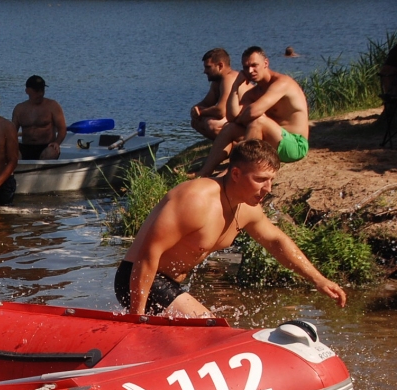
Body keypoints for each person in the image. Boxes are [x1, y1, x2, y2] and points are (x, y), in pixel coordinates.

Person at [116, 140, 346, 317]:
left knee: (207, 328)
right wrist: (138, 318)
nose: (268, 188)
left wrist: (319, 280)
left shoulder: (247, 207)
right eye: (260, 179)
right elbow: (149, 254)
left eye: (271, 180)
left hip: (169, 283)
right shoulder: (195, 200)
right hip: (138, 278)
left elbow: (276, 241)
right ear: (235, 173)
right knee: (207, 326)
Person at [197, 46, 310, 177]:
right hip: (272, 143)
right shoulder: (254, 92)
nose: (250, 71)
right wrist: (235, 86)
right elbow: (231, 116)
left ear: (266, 63)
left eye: (254, 65)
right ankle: (204, 172)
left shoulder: (282, 83)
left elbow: (253, 112)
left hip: (294, 146)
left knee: (258, 120)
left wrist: (241, 118)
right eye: (245, 67)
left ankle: (234, 170)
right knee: (230, 127)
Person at [11, 75, 67, 160]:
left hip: (46, 146)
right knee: (10, 152)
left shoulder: (53, 106)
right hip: (25, 146)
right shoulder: (19, 109)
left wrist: (56, 143)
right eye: (36, 91)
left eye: (42, 90)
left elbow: (62, 129)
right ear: (27, 91)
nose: (40, 94)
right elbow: (12, 132)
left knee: (51, 152)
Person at [189, 48, 240, 140]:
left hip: (247, 123)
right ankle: (227, 149)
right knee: (195, 122)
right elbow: (207, 102)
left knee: (212, 124)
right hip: (235, 121)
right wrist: (195, 109)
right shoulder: (217, 82)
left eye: (208, 67)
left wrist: (201, 112)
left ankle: (235, 149)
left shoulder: (229, 78)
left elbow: (221, 111)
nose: (204, 71)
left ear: (220, 66)